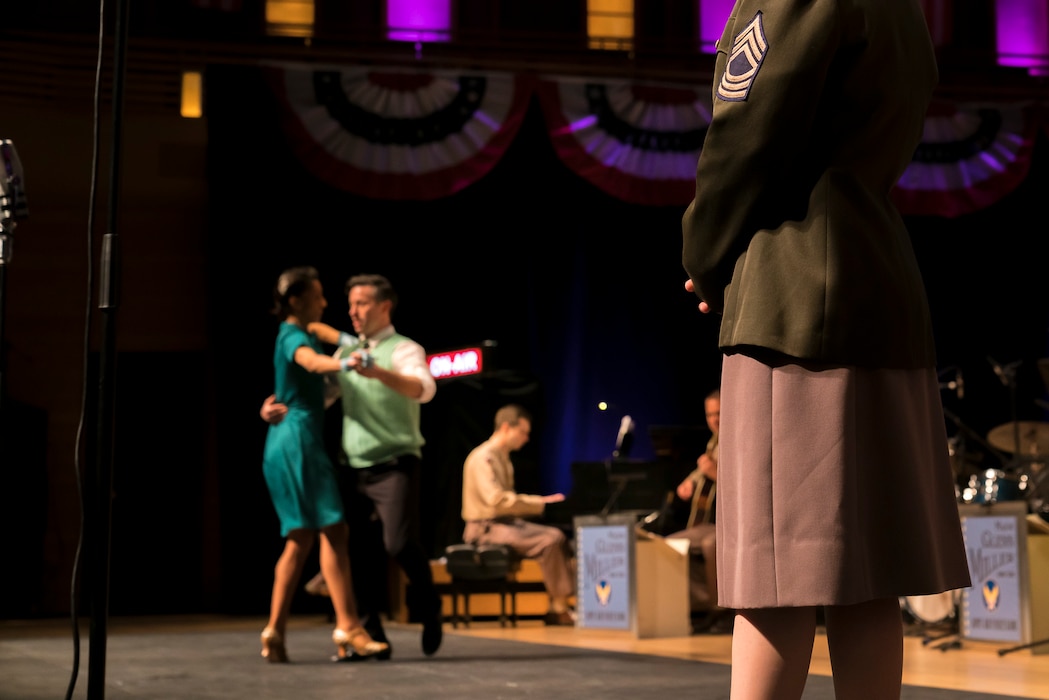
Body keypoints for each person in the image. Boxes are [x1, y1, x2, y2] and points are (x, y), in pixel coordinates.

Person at [680, 2, 972, 699]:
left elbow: (744, 137)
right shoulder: (903, 10)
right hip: (882, 283)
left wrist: (703, 254)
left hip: (791, 292)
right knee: (864, 577)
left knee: (773, 577)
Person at [261, 273, 442, 659]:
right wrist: (276, 406)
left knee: (397, 543)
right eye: (350, 304)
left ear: (384, 306)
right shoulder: (345, 355)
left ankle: (427, 603)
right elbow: (315, 391)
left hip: (395, 461)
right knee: (348, 548)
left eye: (361, 304)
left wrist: (375, 371)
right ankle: (364, 629)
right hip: (353, 463)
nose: (351, 311)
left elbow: (422, 389)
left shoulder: (403, 348)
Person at [258, 266, 388, 663]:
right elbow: (312, 362)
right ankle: (348, 626)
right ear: (296, 300)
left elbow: (332, 336)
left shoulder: (306, 329)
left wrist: (351, 343)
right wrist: (350, 363)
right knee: (334, 530)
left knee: (300, 538)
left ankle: (275, 630)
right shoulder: (293, 336)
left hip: (285, 440)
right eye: (317, 295)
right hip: (299, 441)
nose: (326, 301)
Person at [460, 403, 576, 625]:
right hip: (484, 529)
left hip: (502, 524)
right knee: (550, 539)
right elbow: (496, 500)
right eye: (523, 432)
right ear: (506, 428)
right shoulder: (483, 457)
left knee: (558, 537)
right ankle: (559, 608)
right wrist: (541, 502)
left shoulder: (502, 458)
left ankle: (558, 605)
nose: (526, 438)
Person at [666, 389, 730, 633]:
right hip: (708, 524)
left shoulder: (739, 439)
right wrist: (690, 481)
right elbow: (703, 466)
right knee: (669, 546)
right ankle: (701, 604)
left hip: (732, 525)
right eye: (710, 415)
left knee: (710, 544)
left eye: (720, 413)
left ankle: (722, 611)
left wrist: (714, 473)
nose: (715, 420)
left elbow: (747, 486)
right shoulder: (713, 442)